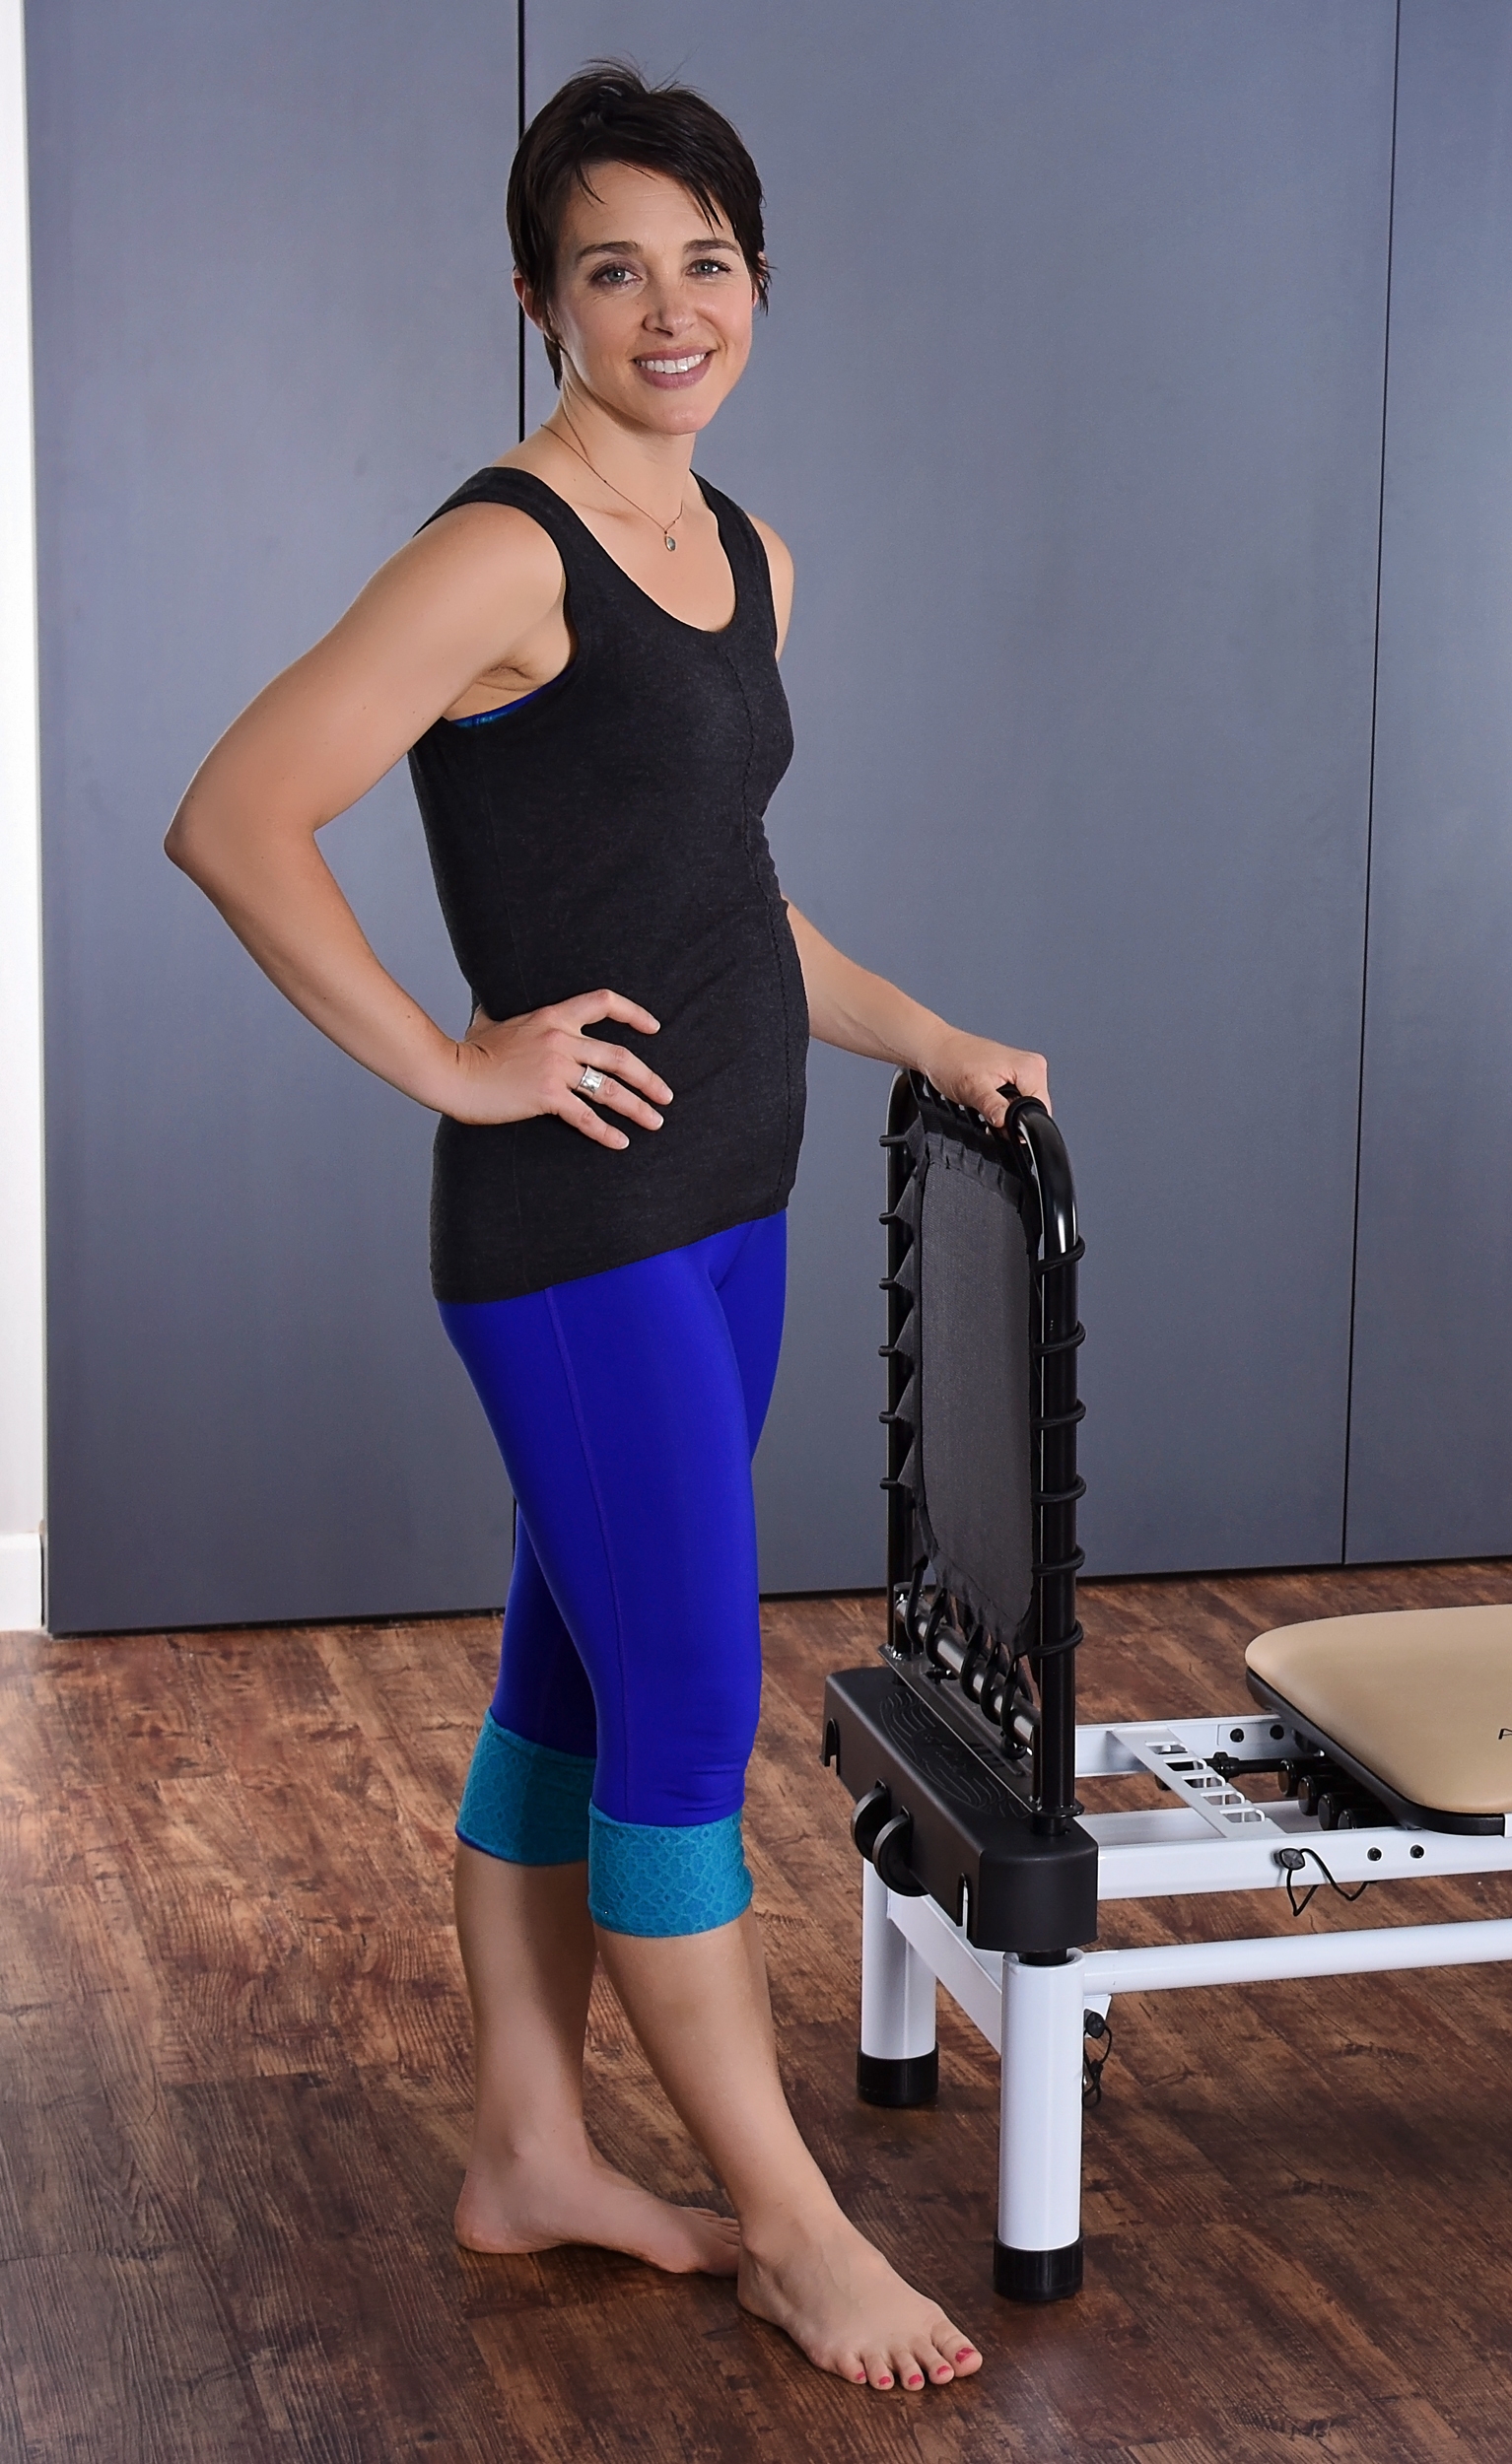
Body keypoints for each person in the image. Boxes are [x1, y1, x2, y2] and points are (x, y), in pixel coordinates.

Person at [164, 61, 1020, 2395]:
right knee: (681, 1718)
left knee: (566, 1689)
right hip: (578, 1243)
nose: (669, 307)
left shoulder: (745, 550)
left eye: (706, 260)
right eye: (613, 265)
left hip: (723, 1209)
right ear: (536, 296)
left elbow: (726, 903)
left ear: (758, 282)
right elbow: (238, 815)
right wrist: (457, 1060)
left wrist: (927, 1033)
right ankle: (792, 2220)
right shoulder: (501, 548)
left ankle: (528, 2145)